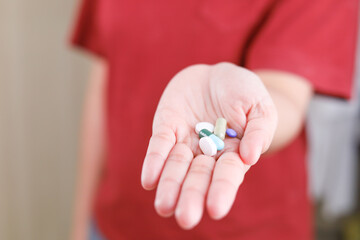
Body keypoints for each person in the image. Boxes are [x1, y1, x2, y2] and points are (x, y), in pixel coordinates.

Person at [69, 0, 358, 239]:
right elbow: (105, 82)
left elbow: (286, 94)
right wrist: (81, 224)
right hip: (114, 225)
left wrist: (252, 108)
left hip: (249, 230)